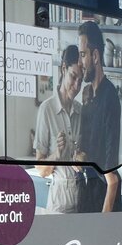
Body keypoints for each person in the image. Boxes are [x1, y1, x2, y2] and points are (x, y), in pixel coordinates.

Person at [75, 20, 120, 212]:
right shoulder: (88, 96)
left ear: (95, 56)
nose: (79, 62)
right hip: (87, 195)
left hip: (102, 203)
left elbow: (111, 176)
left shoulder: (109, 97)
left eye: (83, 55)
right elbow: (85, 150)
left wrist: (104, 220)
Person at [33, 45, 82, 213]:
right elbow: (40, 170)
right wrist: (57, 155)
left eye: (81, 80)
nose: (76, 86)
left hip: (83, 202)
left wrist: (83, 158)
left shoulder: (81, 111)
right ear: (63, 69)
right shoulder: (46, 110)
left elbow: (87, 156)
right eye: (73, 76)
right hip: (59, 205)